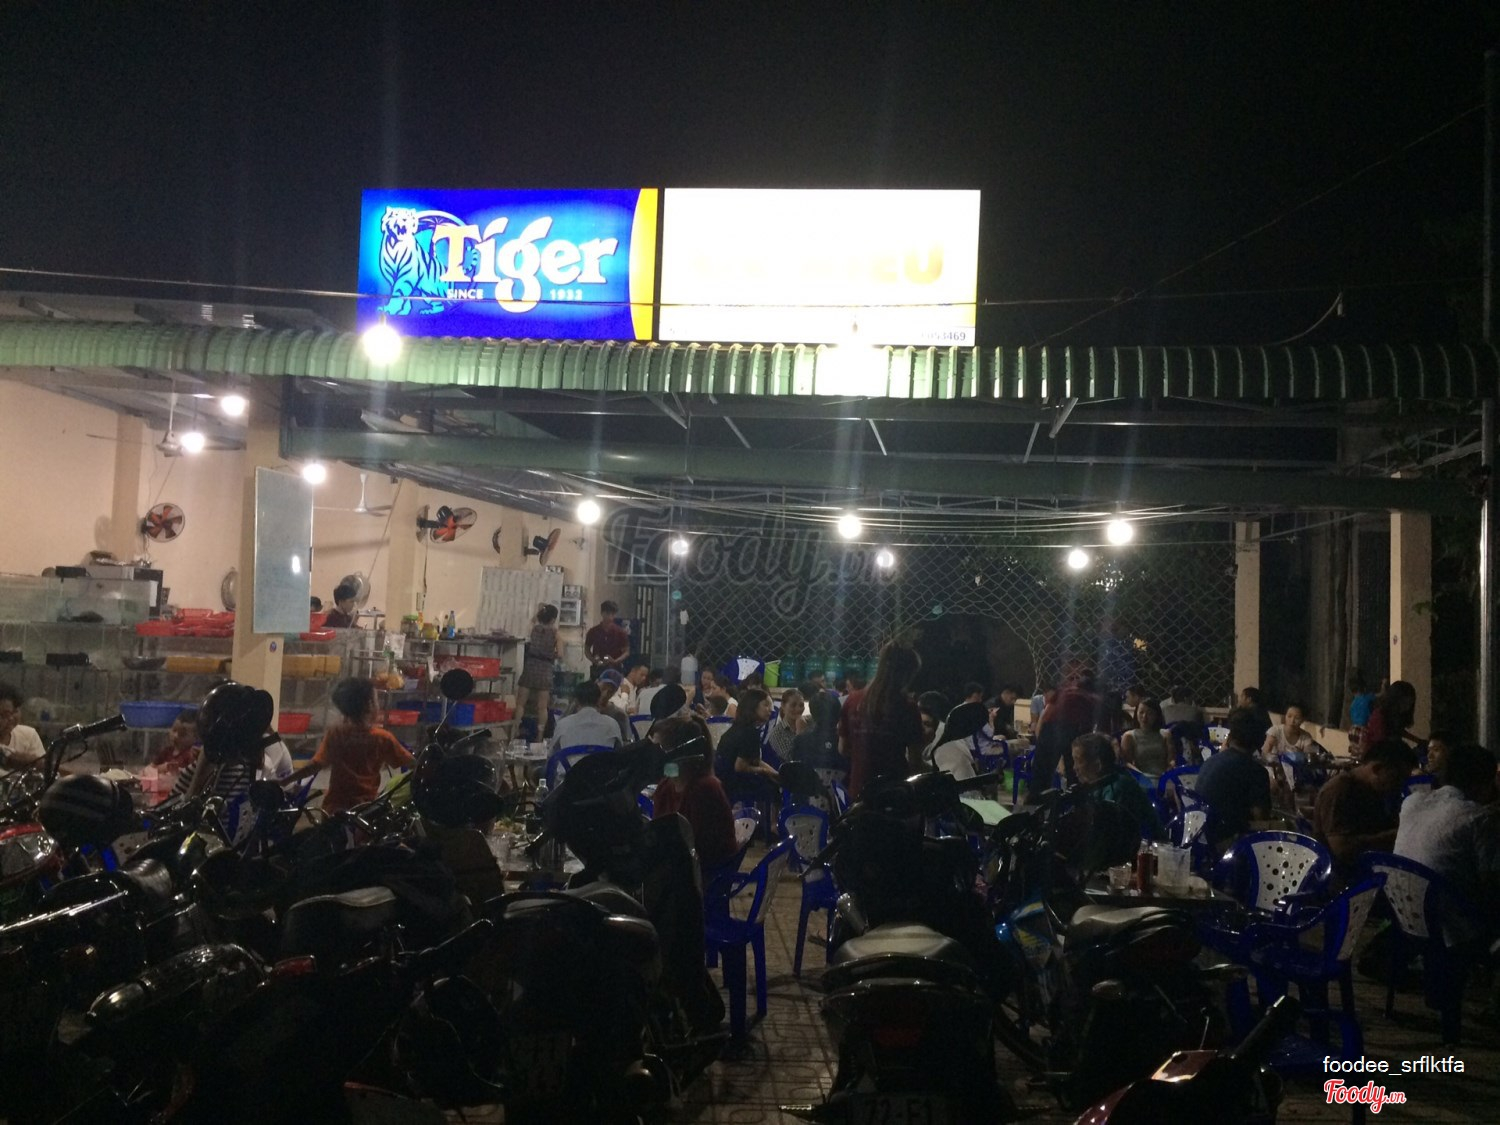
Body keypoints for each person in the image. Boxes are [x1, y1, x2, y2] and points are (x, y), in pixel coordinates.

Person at [283, 678, 414, 814]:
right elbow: (412, 764)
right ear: (370, 705)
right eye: (376, 701)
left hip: (333, 810)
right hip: (363, 813)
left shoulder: (336, 733)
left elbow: (316, 765)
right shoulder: (383, 738)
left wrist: (285, 781)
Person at [1395, 743, 1500, 911]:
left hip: (1404, 911)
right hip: (1452, 918)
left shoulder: (1411, 802)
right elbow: (1491, 882)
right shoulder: (1478, 818)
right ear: (1484, 783)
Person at [1312, 738, 1417, 882]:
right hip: (1339, 876)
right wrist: (1396, 835)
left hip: (1367, 867)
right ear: (1377, 769)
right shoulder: (1339, 791)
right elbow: (1342, 849)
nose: (1399, 785)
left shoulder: (1373, 789)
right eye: (1397, 777)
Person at [652, 716, 738, 872]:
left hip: (705, 874)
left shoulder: (705, 789)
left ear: (679, 753)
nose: (652, 759)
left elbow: (701, 849)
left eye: (658, 751)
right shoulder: (666, 786)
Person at [851, 642, 925, 798]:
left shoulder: (853, 701)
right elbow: (915, 762)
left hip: (859, 791)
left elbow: (843, 748)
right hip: (893, 793)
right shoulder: (907, 708)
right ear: (906, 674)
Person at [1195, 707, 1273, 847]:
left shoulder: (1211, 761)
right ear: (1259, 741)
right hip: (1227, 842)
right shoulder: (1255, 771)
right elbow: (1261, 818)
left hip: (1201, 836)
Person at [1071, 732, 1164, 841]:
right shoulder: (1098, 786)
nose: (1074, 768)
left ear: (1098, 764)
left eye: (1079, 761)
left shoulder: (1118, 789)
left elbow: (1109, 838)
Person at [1032, 669, 1107, 796]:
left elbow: (1045, 716)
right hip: (1070, 728)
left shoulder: (1065, 691)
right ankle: (1075, 801)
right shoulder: (1094, 699)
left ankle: (1036, 800)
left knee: (1042, 775)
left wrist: (1040, 741)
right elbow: (1089, 731)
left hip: (1051, 728)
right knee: (1076, 772)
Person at [715, 688, 780, 802]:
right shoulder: (750, 732)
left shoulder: (738, 727)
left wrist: (775, 774)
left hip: (722, 783)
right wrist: (766, 772)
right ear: (753, 706)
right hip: (733, 787)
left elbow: (755, 760)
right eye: (766, 705)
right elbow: (740, 766)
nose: (770, 710)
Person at [515, 603, 559, 740]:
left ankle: (514, 731)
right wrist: (550, 655)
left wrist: (540, 611)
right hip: (545, 669)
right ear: (553, 619)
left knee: (520, 703)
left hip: (531, 666)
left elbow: (533, 620)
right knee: (542, 707)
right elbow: (560, 654)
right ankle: (539, 737)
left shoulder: (534, 629)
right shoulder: (556, 633)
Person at [551, 681, 624, 753]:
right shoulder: (612, 725)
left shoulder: (563, 725)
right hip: (602, 761)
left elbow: (552, 754)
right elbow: (619, 753)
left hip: (570, 761)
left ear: (576, 701)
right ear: (599, 700)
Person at [1360, 681, 1417, 758]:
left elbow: (1398, 731)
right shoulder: (1379, 716)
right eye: (1404, 703)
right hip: (1377, 756)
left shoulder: (1396, 715)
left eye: (1410, 704)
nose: (1407, 707)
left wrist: (1418, 740)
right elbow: (1380, 742)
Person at [1120, 697, 1172, 779]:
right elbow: (1127, 763)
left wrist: (1168, 774)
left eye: (1150, 713)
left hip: (1164, 777)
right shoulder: (1129, 736)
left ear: (1156, 715)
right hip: (1141, 778)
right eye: (1141, 712)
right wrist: (1142, 777)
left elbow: (1171, 760)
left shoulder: (1165, 734)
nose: (1144, 717)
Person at [0, 682, 46, 774]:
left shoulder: (29, 735)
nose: (11, 718)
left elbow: (43, 768)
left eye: (15, 711)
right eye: (4, 714)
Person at [583, 600, 630, 677]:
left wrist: (615, 661)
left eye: (613, 614)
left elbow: (626, 652)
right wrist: (594, 660)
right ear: (602, 613)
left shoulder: (620, 632)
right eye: (607, 614)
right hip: (598, 668)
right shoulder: (593, 631)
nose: (610, 617)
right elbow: (587, 650)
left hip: (615, 669)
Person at [766, 688, 807, 761]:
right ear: (783, 706)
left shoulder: (810, 724)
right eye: (793, 705)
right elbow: (791, 758)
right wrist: (800, 733)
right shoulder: (777, 733)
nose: (798, 709)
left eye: (801, 705)